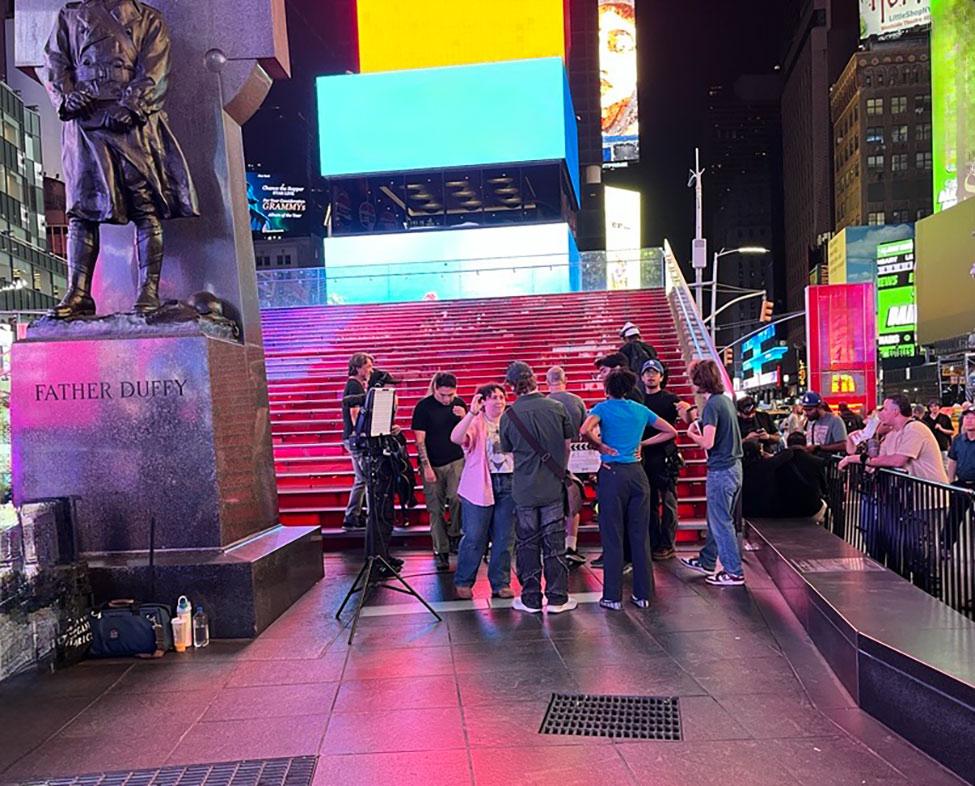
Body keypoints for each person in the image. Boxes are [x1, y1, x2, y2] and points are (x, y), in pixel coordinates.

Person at [42, 0, 199, 318]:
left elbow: (155, 69)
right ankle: (78, 292)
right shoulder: (71, 15)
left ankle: (148, 291)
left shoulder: (149, 19)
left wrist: (131, 106)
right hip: (84, 121)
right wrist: (68, 97)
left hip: (131, 124)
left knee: (145, 206)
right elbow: (55, 63)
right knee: (81, 212)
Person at [582, 368, 678, 609]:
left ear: (607, 389)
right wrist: (642, 443)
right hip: (638, 474)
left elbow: (584, 430)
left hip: (612, 474)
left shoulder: (602, 408)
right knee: (640, 534)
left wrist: (600, 445)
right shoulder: (640, 410)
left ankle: (613, 597)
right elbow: (671, 431)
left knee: (613, 534)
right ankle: (643, 594)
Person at [500, 361, 577, 614]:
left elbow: (508, 452)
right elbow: (567, 446)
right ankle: (557, 598)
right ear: (535, 380)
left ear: (511, 386)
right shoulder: (557, 407)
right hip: (552, 486)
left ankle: (530, 598)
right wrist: (560, 470)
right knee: (554, 543)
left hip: (523, 488)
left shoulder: (508, 416)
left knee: (527, 543)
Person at [679, 359, 746, 586]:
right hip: (735, 467)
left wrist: (690, 434)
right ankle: (707, 560)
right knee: (717, 519)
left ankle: (733, 571)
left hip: (721, 470)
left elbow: (707, 442)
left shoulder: (712, 406)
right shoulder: (725, 401)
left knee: (721, 522)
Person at [451, 384, 516, 600]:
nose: (498, 401)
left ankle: (500, 582)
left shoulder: (512, 420)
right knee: (474, 536)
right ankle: (463, 581)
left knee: (504, 537)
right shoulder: (477, 422)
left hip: (509, 481)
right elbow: (457, 438)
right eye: (493, 397)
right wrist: (471, 413)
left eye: (501, 396)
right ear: (483, 401)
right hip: (480, 484)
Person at [411, 372, 467, 572]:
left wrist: (465, 417)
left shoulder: (458, 404)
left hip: (455, 459)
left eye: (451, 395)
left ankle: (454, 534)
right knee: (435, 508)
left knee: (457, 499)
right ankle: (441, 550)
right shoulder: (423, 407)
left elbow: (468, 434)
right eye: (443, 395)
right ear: (435, 389)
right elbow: (419, 440)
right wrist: (426, 466)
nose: (447, 399)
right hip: (433, 462)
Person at [545, 366, 588, 567]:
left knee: (552, 504)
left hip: (550, 461)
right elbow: (586, 429)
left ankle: (553, 545)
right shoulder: (577, 401)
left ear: (547, 381)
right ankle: (571, 545)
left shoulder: (543, 403)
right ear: (566, 379)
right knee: (573, 504)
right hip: (578, 459)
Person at [640, 359, 682, 560]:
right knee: (648, 503)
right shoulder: (638, 401)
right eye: (647, 372)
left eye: (654, 372)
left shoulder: (670, 399)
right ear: (641, 377)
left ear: (661, 376)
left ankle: (667, 543)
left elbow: (685, 411)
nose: (650, 375)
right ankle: (654, 541)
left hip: (665, 458)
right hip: (644, 460)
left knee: (668, 503)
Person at [341, 352, 374, 530]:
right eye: (368, 366)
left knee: (361, 479)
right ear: (358, 367)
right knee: (366, 478)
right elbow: (355, 413)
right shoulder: (354, 386)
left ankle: (353, 515)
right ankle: (363, 515)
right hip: (356, 438)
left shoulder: (355, 384)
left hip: (351, 437)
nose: (370, 369)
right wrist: (360, 433)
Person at [948, 409, 975, 491]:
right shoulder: (958, 440)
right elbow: (952, 461)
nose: (969, 421)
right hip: (961, 485)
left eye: (973, 418)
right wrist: (951, 482)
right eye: (966, 418)